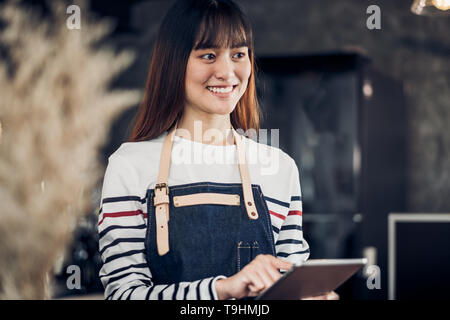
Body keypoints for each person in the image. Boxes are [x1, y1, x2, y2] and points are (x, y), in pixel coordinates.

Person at [98, 0, 338, 300]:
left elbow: (291, 280)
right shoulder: (130, 165)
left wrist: (312, 295)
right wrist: (221, 290)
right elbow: (123, 295)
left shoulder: (281, 167)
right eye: (208, 55)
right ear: (173, 63)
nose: (226, 72)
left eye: (238, 54)